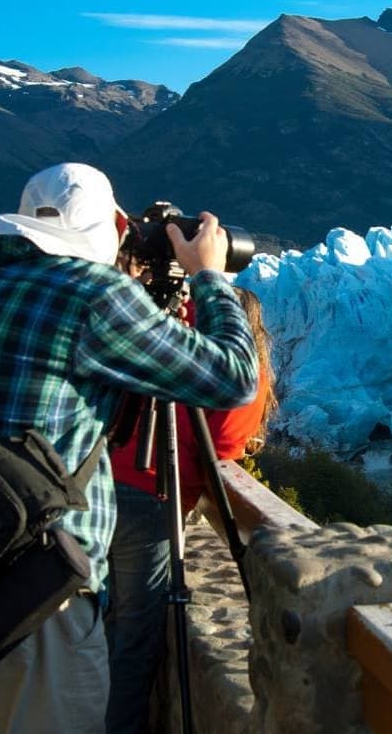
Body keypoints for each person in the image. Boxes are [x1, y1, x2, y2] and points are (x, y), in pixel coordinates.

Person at [0, 163, 259, 734]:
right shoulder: (93, 295)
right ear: (116, 226)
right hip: (34, 582)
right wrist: (209, 276)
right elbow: (235, 377)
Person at [105, 287, 276, 734]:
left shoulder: (162, 346)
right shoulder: (225, 370)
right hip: (151, 504)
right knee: (134, 640)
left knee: (91, 618)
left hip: (98, 489)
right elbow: (224, 443)